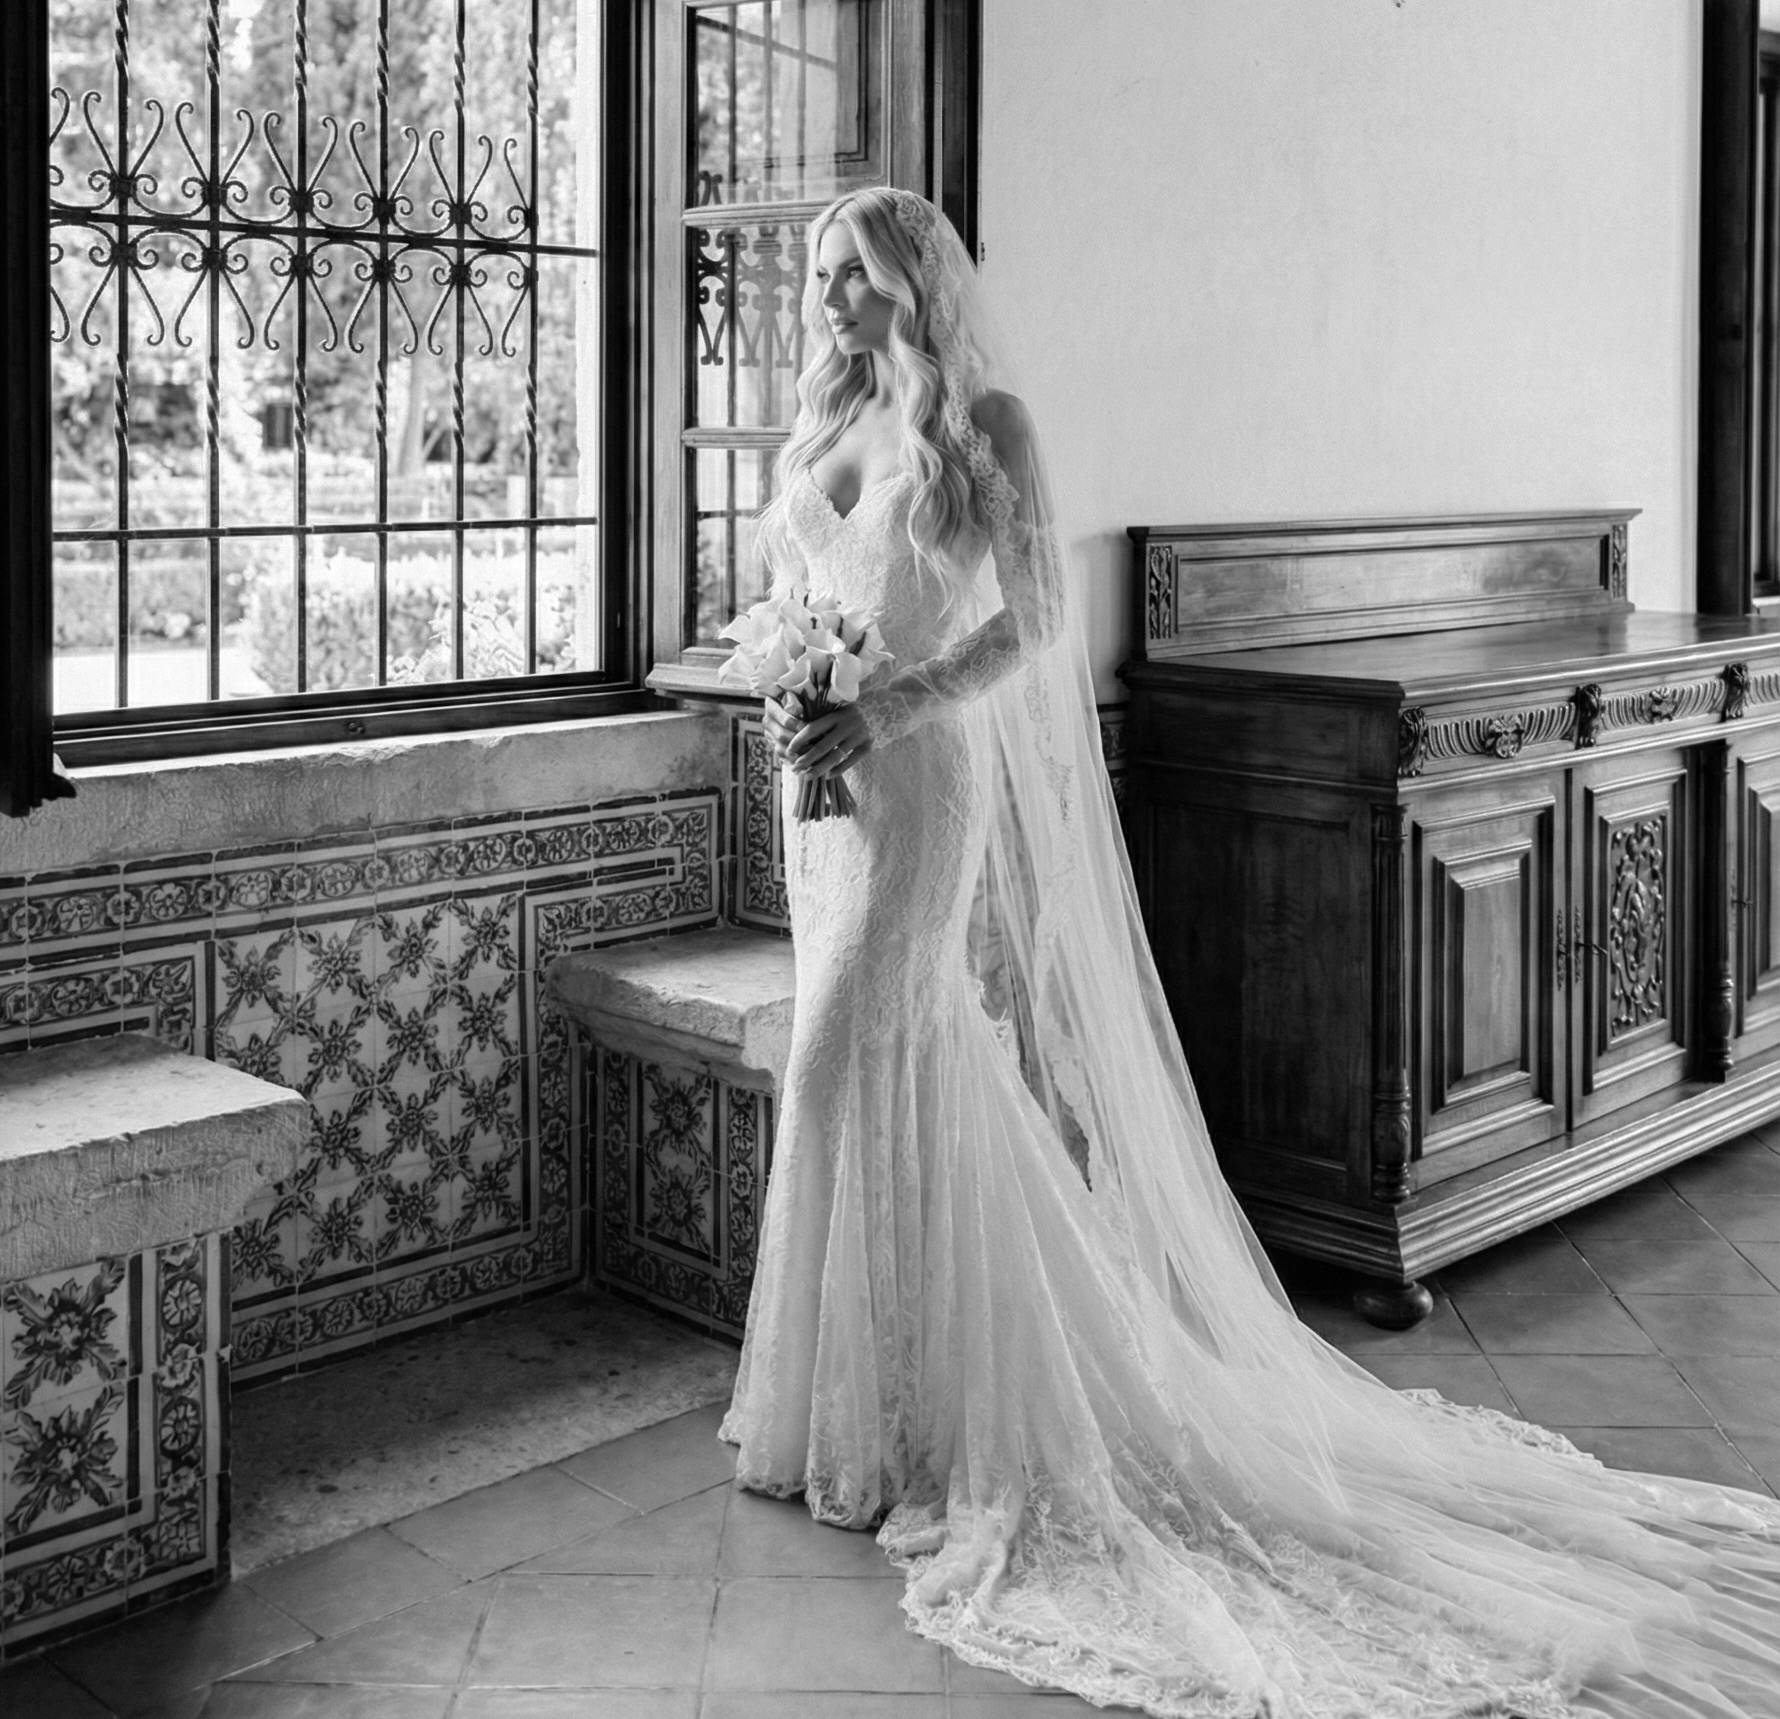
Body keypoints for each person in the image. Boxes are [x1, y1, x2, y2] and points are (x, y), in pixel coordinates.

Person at [719, 183, 1780, 1719]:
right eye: (816, 270)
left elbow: (1027, 634)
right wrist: (795, 697)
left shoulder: (987, 426)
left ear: (918, 281)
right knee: (874, 1063)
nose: (826, 295)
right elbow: (789, 603)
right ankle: (859, 1412)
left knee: (845, 1068)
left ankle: (924, 1406)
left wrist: (881, 704)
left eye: (855, 272)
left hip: (918, 783)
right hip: (823, 793)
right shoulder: (815, 427)